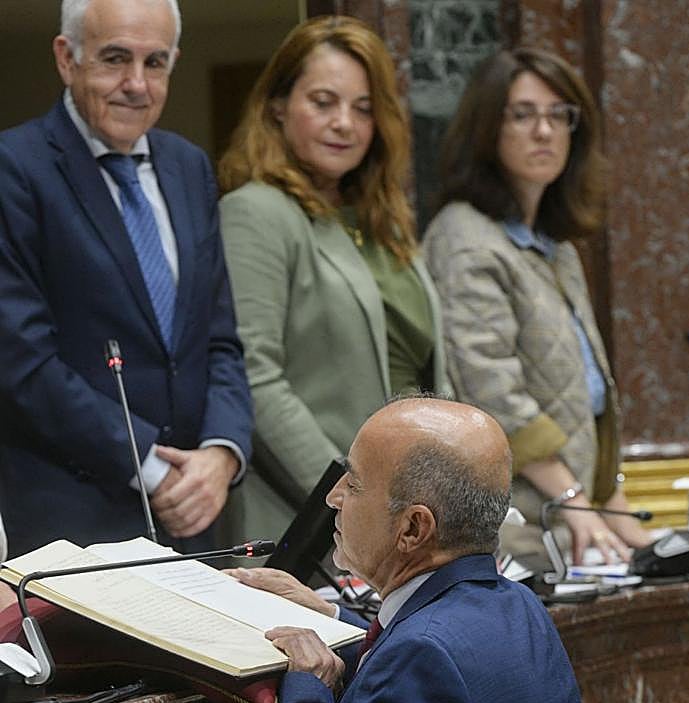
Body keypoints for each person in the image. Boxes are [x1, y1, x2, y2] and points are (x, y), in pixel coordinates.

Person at [229, 396, 583, 703]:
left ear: (414, 529)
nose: (332, 496)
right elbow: (439, 663)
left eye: (353, 484)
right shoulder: (519, 606)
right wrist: (333, 617)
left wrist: (306, 696)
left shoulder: (427, 658)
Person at [0, 0, 253, 558]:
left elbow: (220, 339)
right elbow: (21, 361)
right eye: (115, 59)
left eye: (155, 63)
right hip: (72, 526)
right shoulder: (14, 169)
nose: (136, 84)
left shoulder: (189, 167)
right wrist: (148, 465)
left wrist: (221, 451)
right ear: (67, 59)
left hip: (195, 517)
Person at [217, 16, 449, 545]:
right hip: (306, 522)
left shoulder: (381, 222)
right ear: (278, 105)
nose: (344, 122)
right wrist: (350, 497)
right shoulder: (255, 211)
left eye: (363, 108)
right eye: (323, 102)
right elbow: (257, 378)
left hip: (406, 516)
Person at [423, 48, 651, 568]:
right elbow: (493, 392)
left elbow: (585, 395)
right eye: (522, 114)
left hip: (574, 515)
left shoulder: (558, 246)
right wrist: (574, 501)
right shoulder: (467, 236)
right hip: (519, 525)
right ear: (487, 127)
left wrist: (610, 504)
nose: (544, 130)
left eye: (558, 115)